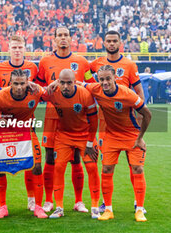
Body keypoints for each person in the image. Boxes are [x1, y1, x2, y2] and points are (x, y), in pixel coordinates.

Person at [37, 26, 95, 213]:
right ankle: (48, 200)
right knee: (50, 158)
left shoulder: (82, 62)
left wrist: (80, 84)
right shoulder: (45, 61)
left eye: (65, 36)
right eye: (59, 35)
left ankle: (79, 201)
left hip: (77, 117)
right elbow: (39, 89)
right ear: (54, 39)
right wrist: (50, 86)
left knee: (77, 157)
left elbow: (91, 84)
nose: (62, 38)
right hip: (52, 115)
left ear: (71, 39)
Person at [84, 65, 151, 222]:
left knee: (138, 168)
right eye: (101, 79)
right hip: (111, 136)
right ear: (98, 80)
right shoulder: (95, 88)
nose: (105, 82)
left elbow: (147, 114)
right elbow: (79, 84)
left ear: (115, 77)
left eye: (108, 79)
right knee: (106, 169)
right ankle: (108, 210)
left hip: (132, 135)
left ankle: (139, 210)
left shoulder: (127, 94)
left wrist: (140, 137)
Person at [90, 30, 146, 213]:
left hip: (127, 122)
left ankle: (138, 203)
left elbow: (139, 92)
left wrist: (139, 128)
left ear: (120, 43)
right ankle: (106, 204)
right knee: (106, 166)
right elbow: (85, 78)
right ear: (104, 43)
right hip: (105, 123)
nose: (111, 44)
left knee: (134, 164)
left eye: (115, 41)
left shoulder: (129, 64)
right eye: (108, 41)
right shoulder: (97, 63)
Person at [0, 35, 39, 212]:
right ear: (8, 48)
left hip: (26, 125)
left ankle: (33, 200)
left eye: (20, 47)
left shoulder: (32, 67)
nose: (17, 50)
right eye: (14, 47)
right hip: (4, 126)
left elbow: (39, 90)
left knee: (32, 163)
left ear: (24, 48)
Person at [43, 69, 100, 219]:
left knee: (92, 167)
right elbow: (34, 92)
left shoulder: (85, 94)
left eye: (69, 82)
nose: (66, 86)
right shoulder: (53, 92)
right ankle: (59, 207)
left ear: (75, 82)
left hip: (85, 135)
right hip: (64, 135)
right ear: (58, 82)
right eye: (62, 82)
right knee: (59, 167)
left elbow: (94, 122)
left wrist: (89, 143)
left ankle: (95, 206)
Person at [0, 69, 47, 219]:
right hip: (6, 135)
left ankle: (38, 207)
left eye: (23, 83)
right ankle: (2, 207)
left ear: (28, 82)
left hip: (27, 133)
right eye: (16, 83)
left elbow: (52, 92)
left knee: (36, 166)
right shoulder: (1, 96)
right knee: (0, 168)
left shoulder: (35, 92)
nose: (20, 87)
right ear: (10, 83)